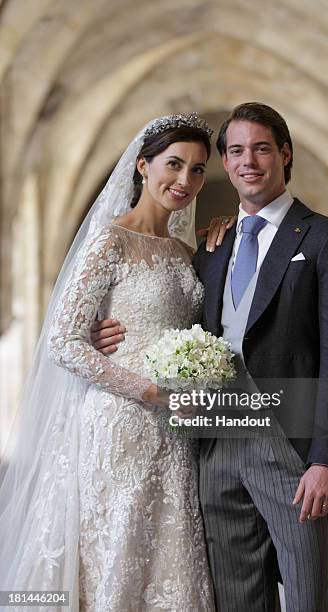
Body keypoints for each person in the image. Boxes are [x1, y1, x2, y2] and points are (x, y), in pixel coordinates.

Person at [94, 102, 328, 612]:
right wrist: (100, 329)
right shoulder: (210, 248)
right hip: (215, 447)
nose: (249, 161)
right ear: (225, 161)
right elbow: (165, 315)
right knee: (236, 598)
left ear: (285, 155)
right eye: (236, 150)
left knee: (307, 598)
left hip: (291, 451)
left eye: (262, 148)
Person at [0, 112, 237, 612]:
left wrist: (225, 232)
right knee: (117, 553)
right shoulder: (110, 240)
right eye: (174, 164)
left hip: (176, 433)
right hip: (120, 423)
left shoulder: (183, 250)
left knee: (170, 559)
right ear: (142, 166)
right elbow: (64, 341)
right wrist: (151, 392)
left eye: (197, 170)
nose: (185, 180)